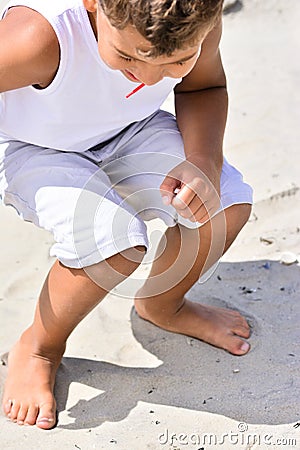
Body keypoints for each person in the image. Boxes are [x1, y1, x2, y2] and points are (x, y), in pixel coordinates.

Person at [0, 0, 253, 429]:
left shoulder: (196, 23)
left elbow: (203, 88)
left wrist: (204, 162)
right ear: (93, 6)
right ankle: (41, 345)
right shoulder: (39, 38)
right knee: (114, 244)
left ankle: (163, 304)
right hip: (32, 143)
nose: (149, 76)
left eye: (176, 61)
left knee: (224, 204)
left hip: (130, 129)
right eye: (129, 57)